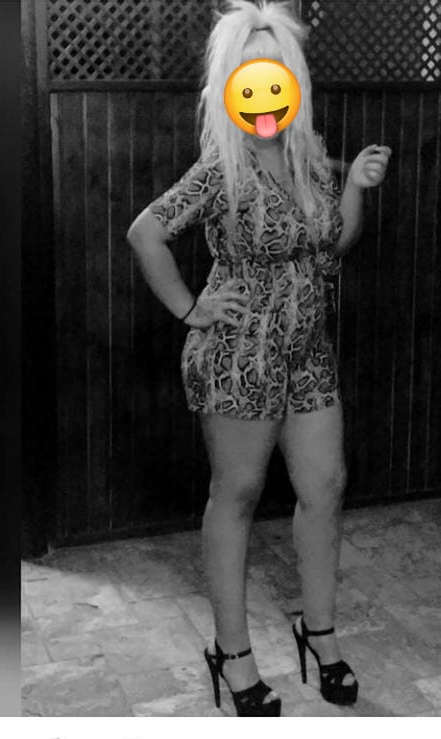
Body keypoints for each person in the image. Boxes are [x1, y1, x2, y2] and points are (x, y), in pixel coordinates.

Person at [127, 0, 390, 717]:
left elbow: (333, 245)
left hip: (309, 352)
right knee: (237, 493)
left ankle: (319, 632)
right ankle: (233, 651)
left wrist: (355, 190)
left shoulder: (308, 158)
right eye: (249, 75)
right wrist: (191, 308)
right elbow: (146, 231)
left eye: (275, 74)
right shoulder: (223, 167)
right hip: (240, 354)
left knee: (325, 486)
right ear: (230, 88)